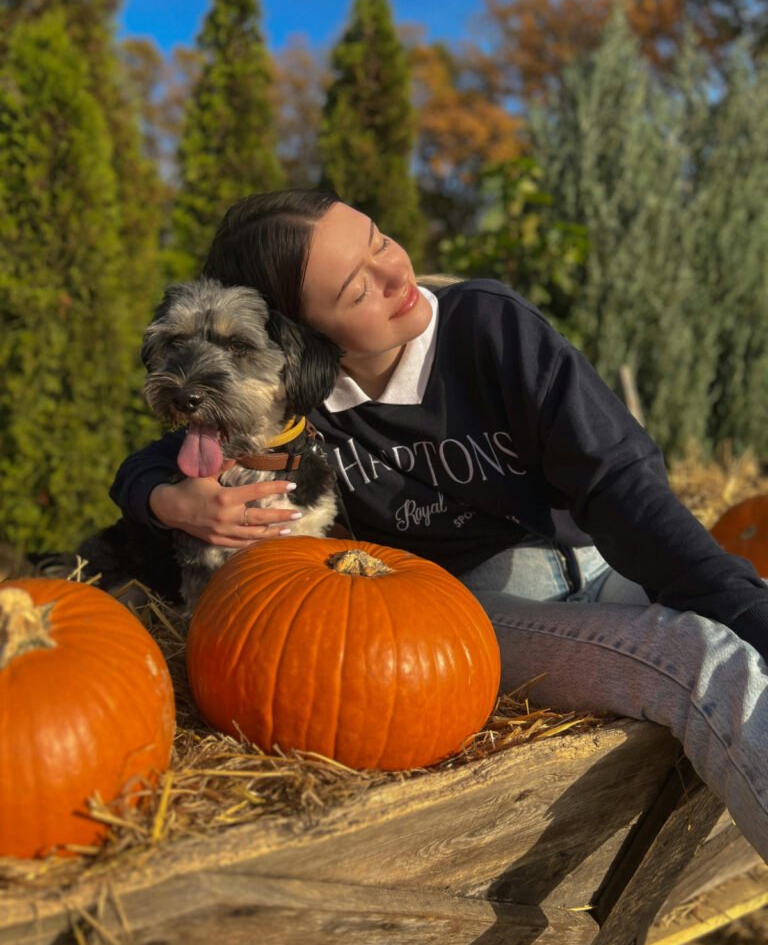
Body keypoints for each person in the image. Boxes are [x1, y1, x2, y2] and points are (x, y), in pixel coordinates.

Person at [111, 188, 768, 862]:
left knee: (744, 614)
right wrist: (166, 501)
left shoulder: (489, 326)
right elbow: (156, 458)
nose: (396, 272)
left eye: (378, 240)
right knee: (697, 656)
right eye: (356, 288)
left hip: (602, 558)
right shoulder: (298, 407)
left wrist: (743, 606)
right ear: (298, 335)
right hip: (471, 611)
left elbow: (623, 489)